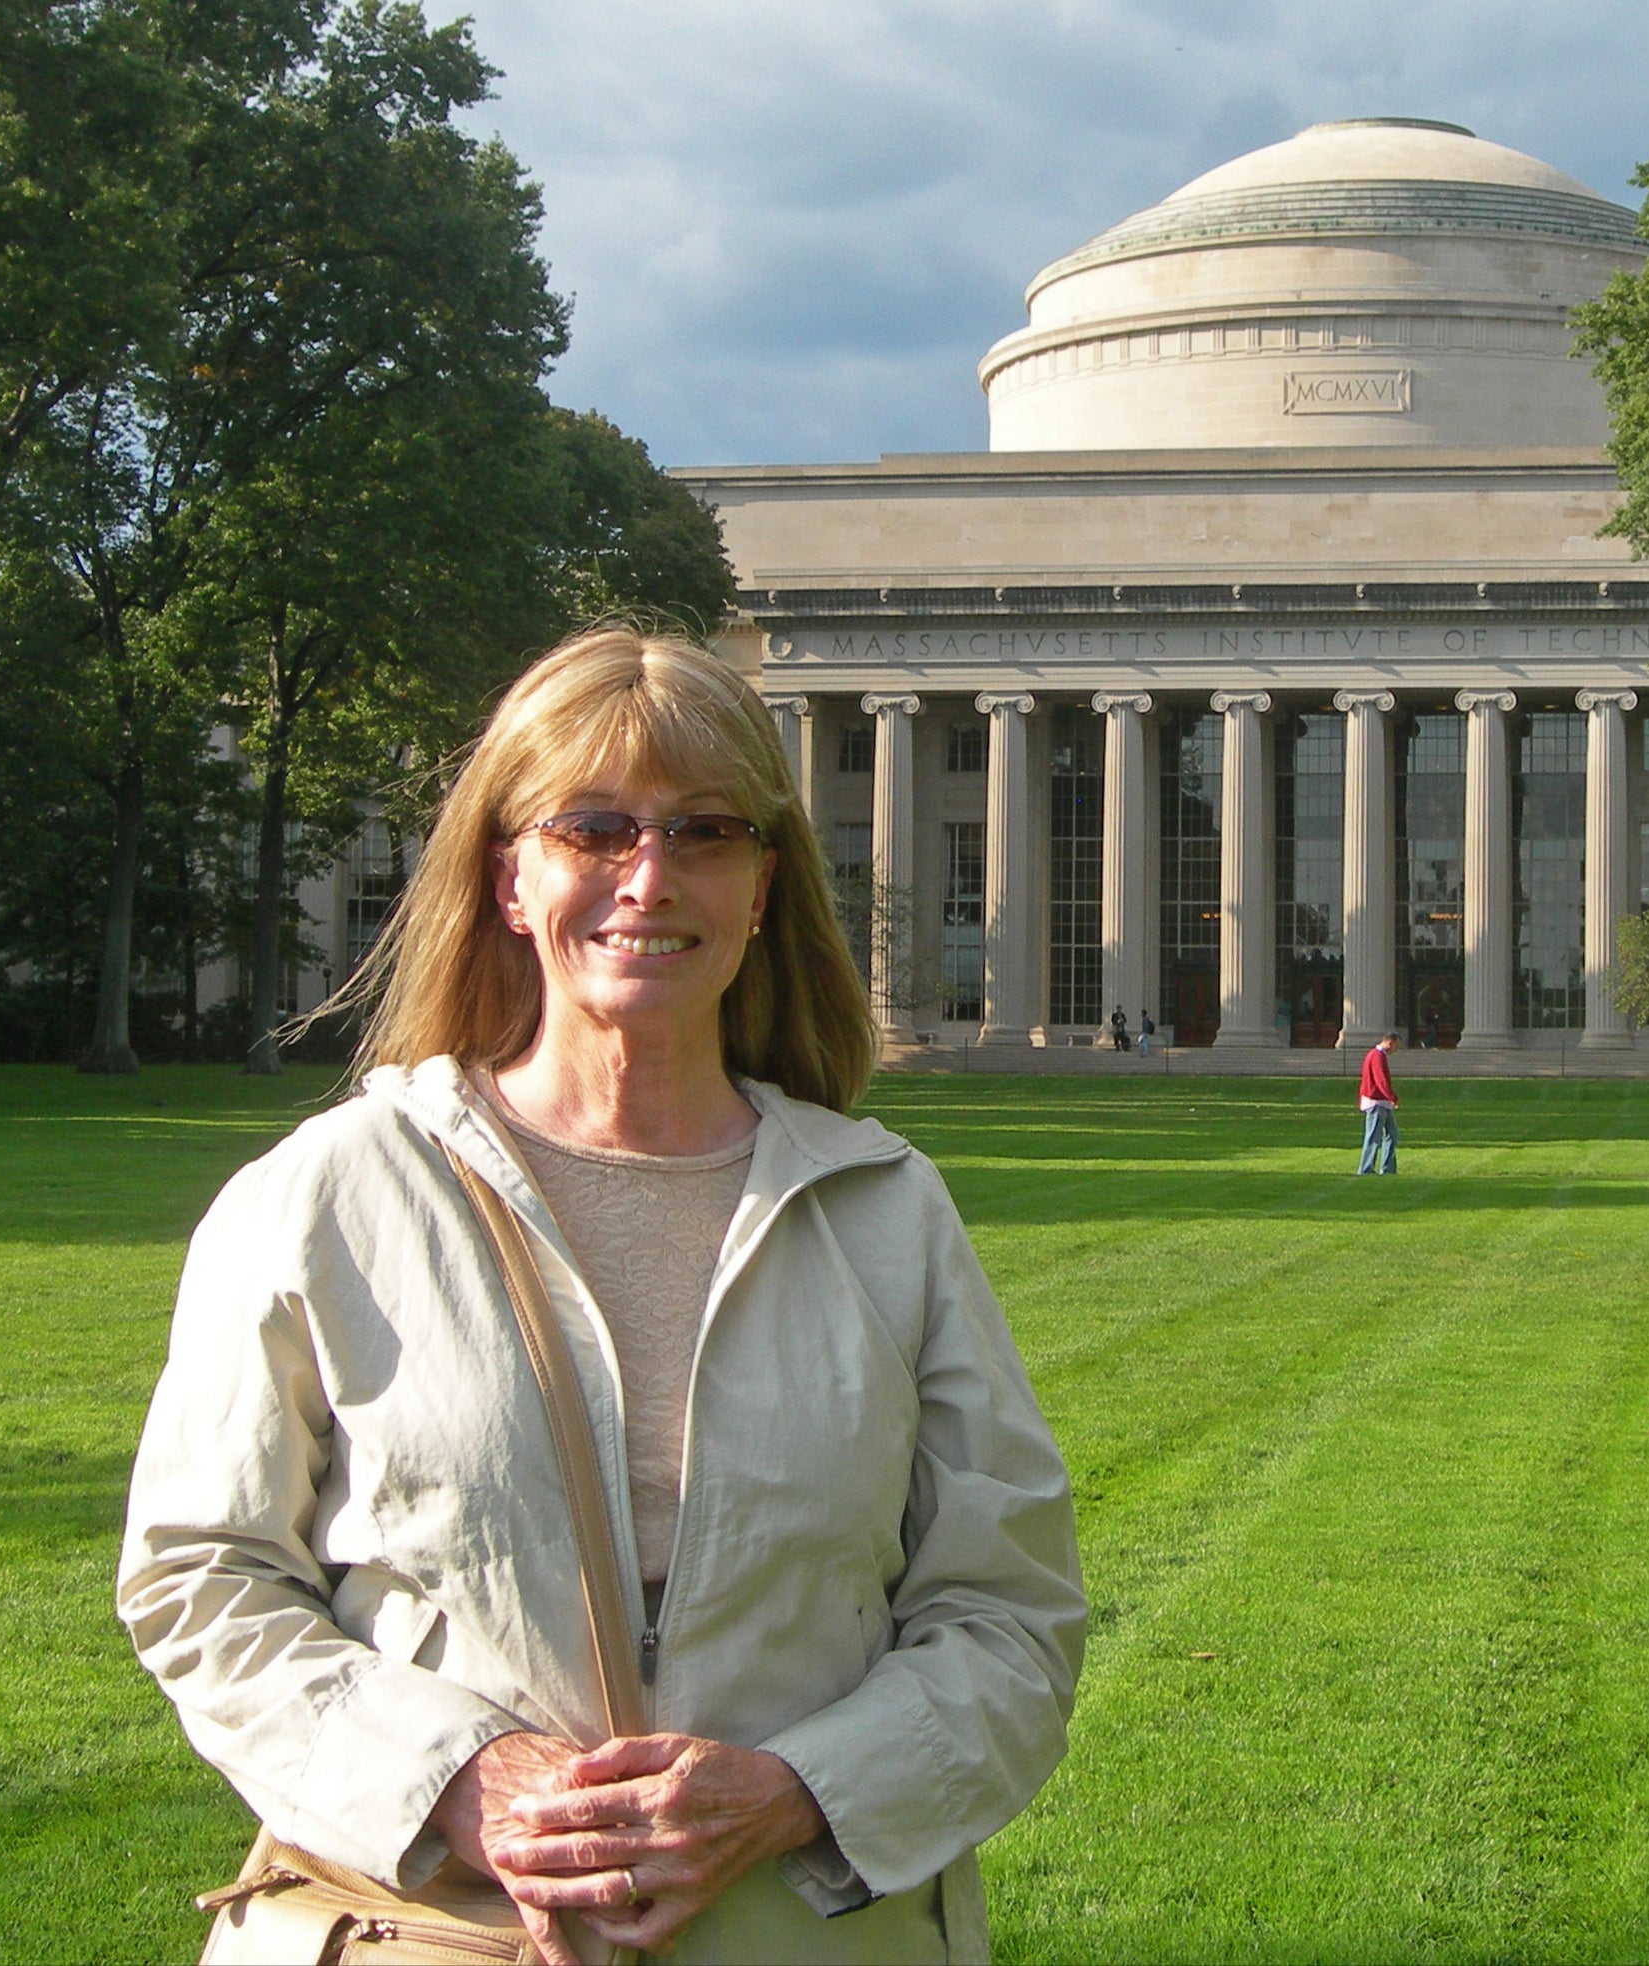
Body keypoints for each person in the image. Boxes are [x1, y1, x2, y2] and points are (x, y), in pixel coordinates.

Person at [120, 628, 1086, 1965]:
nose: (650, 876)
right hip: (427, 1934)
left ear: (763, 888)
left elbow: (1010, 1616)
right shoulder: (333, 1191)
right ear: (511, 874)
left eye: (704, 832)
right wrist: (460, 1776)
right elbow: (201, 1574)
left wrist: (795, 1790)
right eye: (594, 827)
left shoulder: (884, 1208)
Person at [1357, 1031, 1400, 1175]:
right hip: (1376, 1101)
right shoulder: (1377, 1056)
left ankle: (1388, 1169)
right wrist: (1391, 1096)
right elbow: (1381, 1080)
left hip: (1382, 1102)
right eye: (1396, 1046)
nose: (1396, 1050)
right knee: (1374, 1137)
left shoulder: (1378, 1055)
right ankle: (1366, 1168)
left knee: (1392, 1134)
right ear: (1390, 1042)